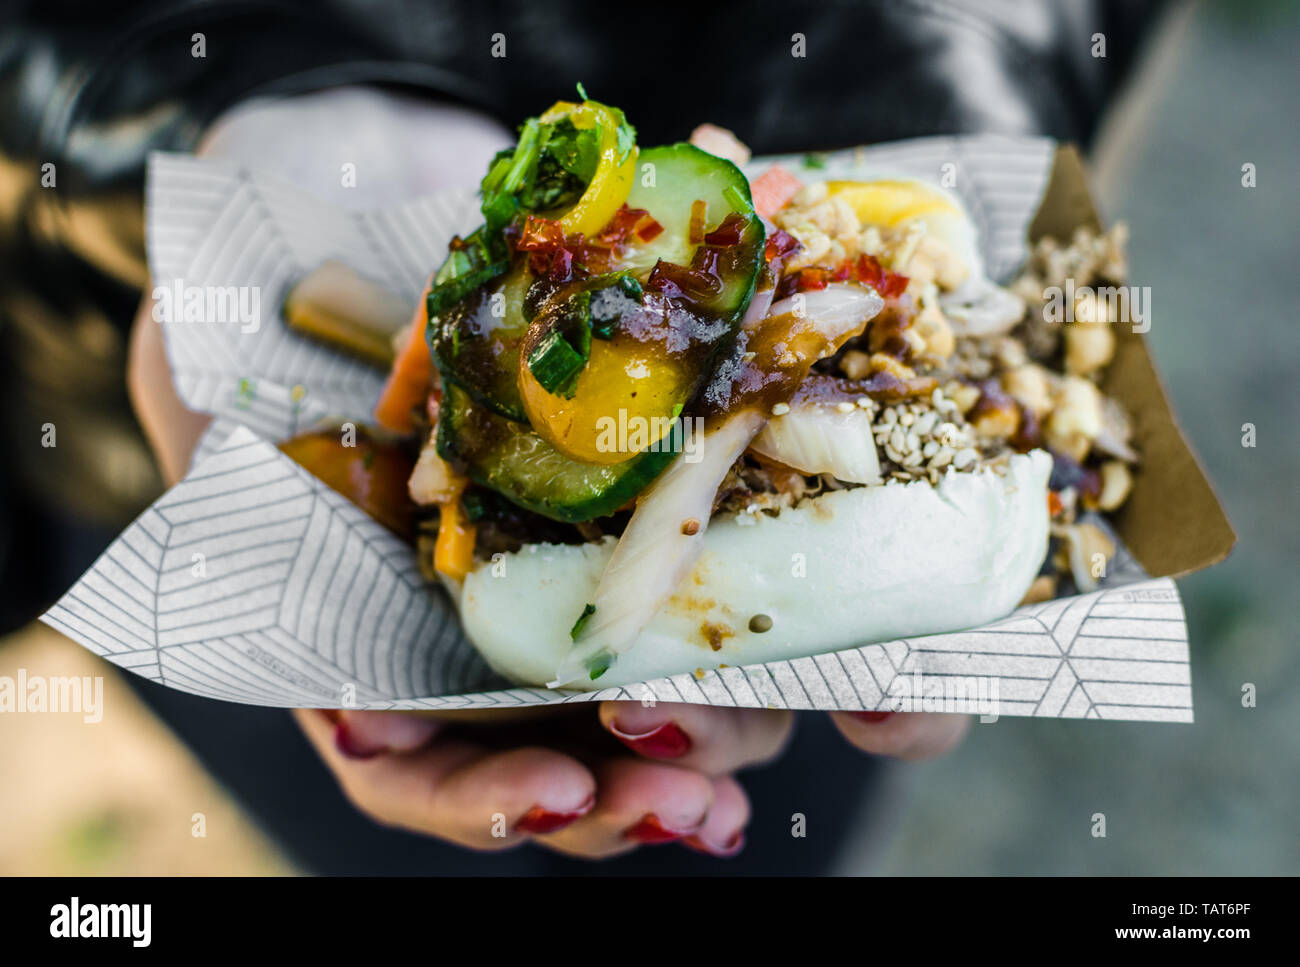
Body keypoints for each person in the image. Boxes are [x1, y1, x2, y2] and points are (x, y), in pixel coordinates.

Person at [3, 0, 1162, 873]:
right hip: (132, 440)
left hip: (787, 622)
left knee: (766, 825)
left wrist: (911, 110)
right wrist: (235, 97)